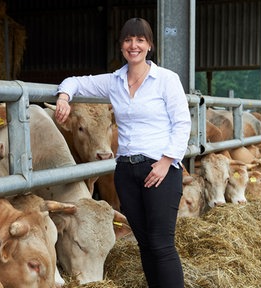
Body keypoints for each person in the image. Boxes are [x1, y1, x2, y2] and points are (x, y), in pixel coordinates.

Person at [54, 17, 191, 288]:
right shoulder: (114, 81)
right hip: (126, 172)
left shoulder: (166, 80)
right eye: (128, 40)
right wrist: (63, 97)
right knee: (145, 244)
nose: (134, 45)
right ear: (121, 46)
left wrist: (165, 162)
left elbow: (182, 123)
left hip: (160, 170)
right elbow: (74, 81)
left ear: (149, 45)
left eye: (140, 40)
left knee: (162, 244)